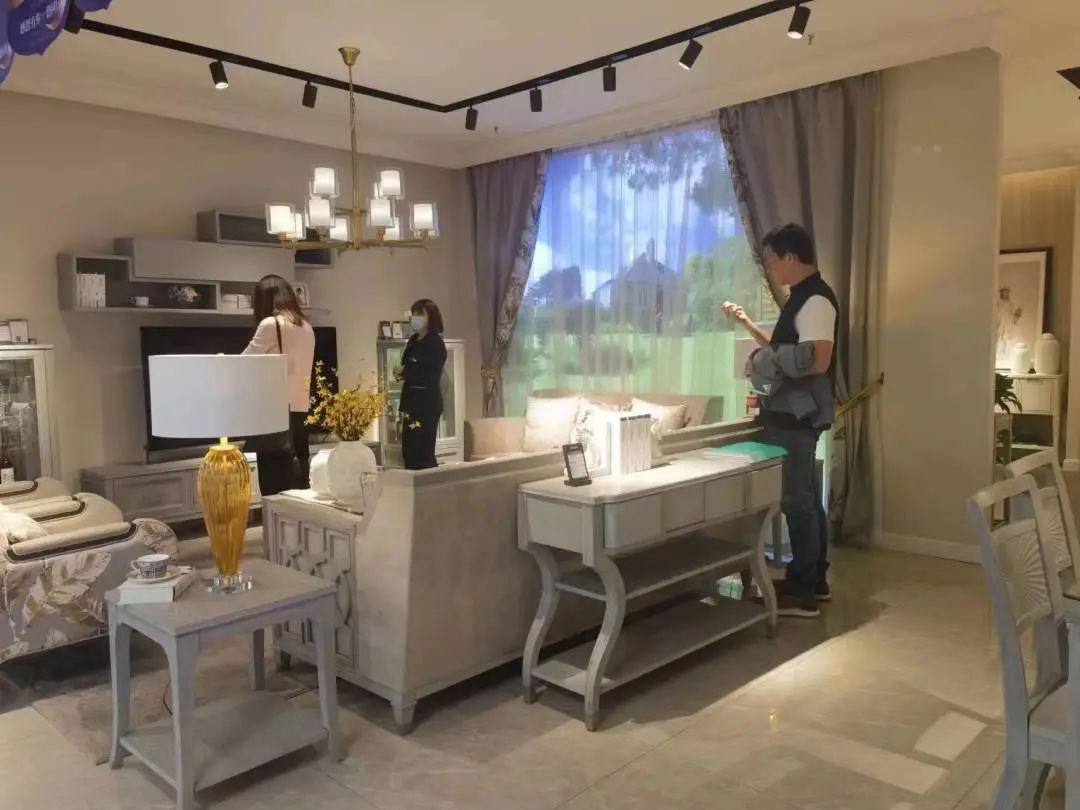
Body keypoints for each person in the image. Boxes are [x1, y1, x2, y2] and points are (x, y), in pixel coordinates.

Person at [723, 223, 837, 618]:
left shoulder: (815, 301)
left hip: (796, 415)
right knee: (806, 499)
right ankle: (813, 581)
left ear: (790, 257)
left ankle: (803, 592)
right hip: (793, 413)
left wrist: (761, 361)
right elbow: (784, 349)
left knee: (797, 502)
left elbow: (817, 360)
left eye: (773, 262)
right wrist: (750, 328)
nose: (771, 270)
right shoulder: (801, 298)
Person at [242, 275, 316, 496]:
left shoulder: (271, 324)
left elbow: (243, 362)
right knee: (296, 488)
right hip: (300, 414)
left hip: (274, 415)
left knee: (273, 490)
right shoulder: (306, 326)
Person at [394, 299, 447, 470]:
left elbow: (430, 375)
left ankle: (429, 485)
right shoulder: (413, 340)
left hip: (426, 404)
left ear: (431, 317)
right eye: (414, 314)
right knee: (408, 451)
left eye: (420, 314)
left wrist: (406, 372)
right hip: (410, 402)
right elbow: (407, 364)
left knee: (423, 452)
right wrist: (401, 372)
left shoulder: (436, 343)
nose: (415, 318)